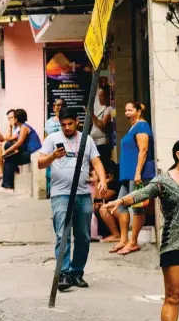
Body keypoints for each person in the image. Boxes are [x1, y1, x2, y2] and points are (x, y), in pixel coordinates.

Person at [103, 139, 179, 321]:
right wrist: (119, 201)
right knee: (173, 297)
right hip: (176, 245)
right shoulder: (164, 181)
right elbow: (142, 194)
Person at [38, 106, 107, 292]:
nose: (67, 128)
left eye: (70, 124)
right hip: (61, 194)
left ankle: (77, 272)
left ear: (77, 121)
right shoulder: (52, 139)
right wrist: (53, 156)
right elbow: (39, 163)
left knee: (83, 236)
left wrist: (101, 179)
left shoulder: (87, 139)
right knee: (62, 234)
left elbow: (96, 162)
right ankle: (64, 273)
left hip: (83, 193)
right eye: (63, 125)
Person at [108, 101, 156, 256]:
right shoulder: (133, 126)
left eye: (130, 110)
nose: (126, 113)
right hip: (127, 174)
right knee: (121, 205)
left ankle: (133, 242)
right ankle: (123, 240)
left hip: (137, 174)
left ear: (139, 111)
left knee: (137, 207)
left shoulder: (142, 126)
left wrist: (138, 173)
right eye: (125, 110)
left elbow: (143, 150)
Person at [0, 109, 42, 192]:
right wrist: (10, 127)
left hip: (33, 154)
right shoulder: (22, 128)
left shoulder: (24, 127)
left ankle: (8, 185)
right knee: (9, 148)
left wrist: (7, 152)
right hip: (28, 153)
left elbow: (19, 143)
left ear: (16, 119)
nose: (11, 120)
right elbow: (8, 139)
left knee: (9, 158)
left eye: (13, 118)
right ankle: (8, 184)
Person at [0, 109, 19, 187]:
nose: (10, 120)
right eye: (8, 119)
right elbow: (3, 139)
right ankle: (0, 173)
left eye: (11, 117)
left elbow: (10, 139)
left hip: (19, 150)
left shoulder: (20, 126)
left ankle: (12, 170)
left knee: (2, 146)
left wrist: (11, 128)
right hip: (12, 148)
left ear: (16, 117)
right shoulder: (13, 127)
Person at [91, 85, 113, 166]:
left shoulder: (109, 109)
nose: (99, 98)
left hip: (102, 144)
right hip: (95, 143)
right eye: (98, 96)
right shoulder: (102, 108)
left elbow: (103, 125)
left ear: (107, 96)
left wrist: (92, 115)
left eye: (101, 96)